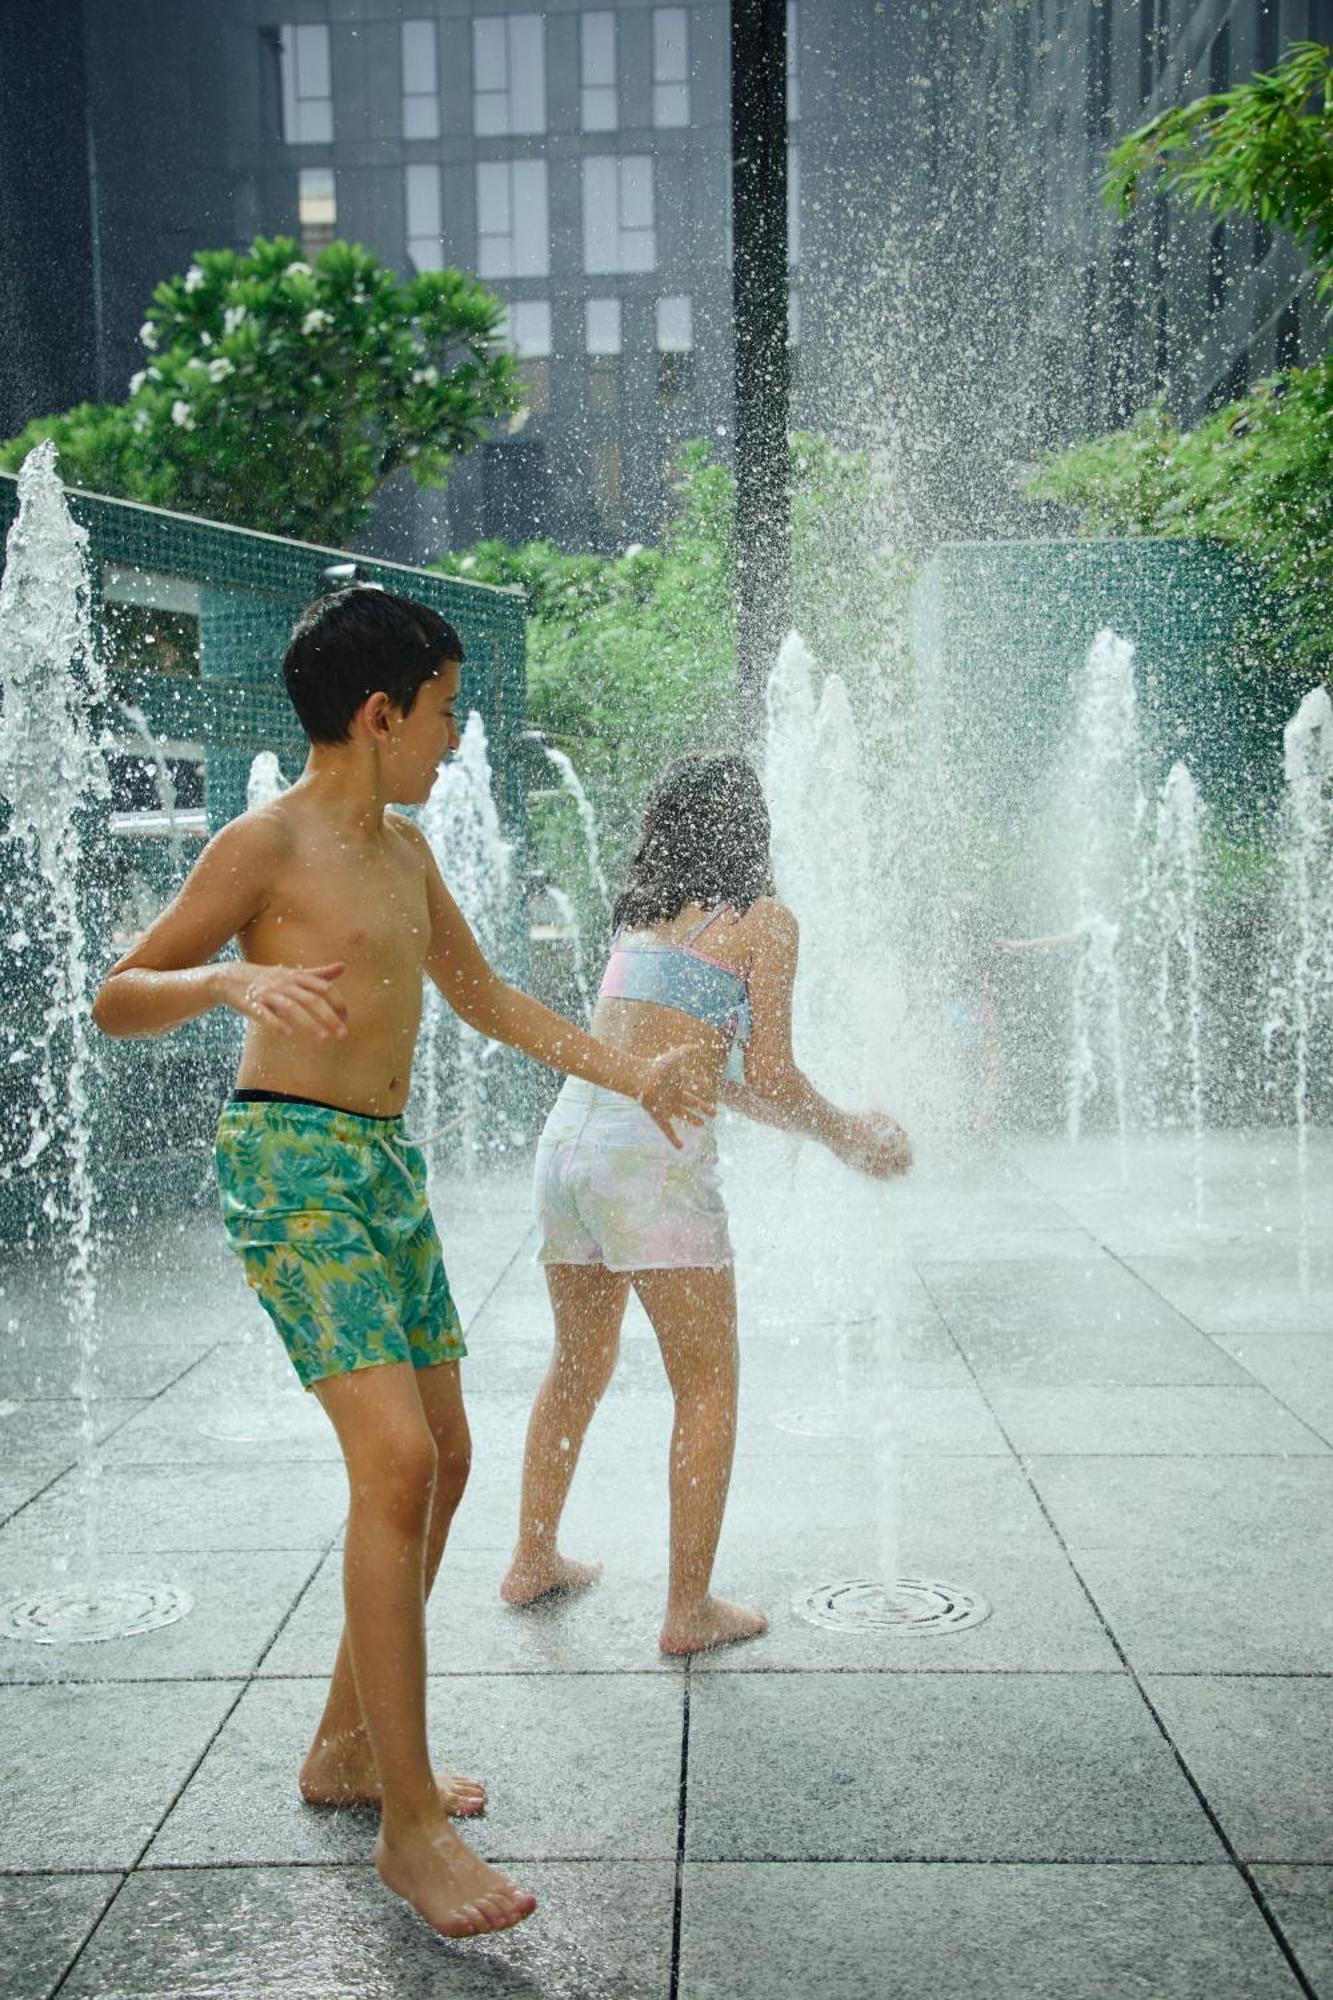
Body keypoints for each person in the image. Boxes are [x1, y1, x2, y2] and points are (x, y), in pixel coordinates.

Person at [91, 586, 711, 1941]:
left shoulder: (408, 853)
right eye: (443, 711)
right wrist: (226, 984)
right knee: (397, 1464)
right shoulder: (266, 847)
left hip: (378, 1164)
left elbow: (487, 1004)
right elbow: (116, 995)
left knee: (450, 1451)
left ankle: (346, 1748)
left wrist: (633, 1073)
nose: (453, 735)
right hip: (289, 1162)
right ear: (380, 715)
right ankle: (410, 1827)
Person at [500, 754, 912, 1654]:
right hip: (649, 1160)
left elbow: (715, 1081)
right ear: (751, 828)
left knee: (577, 1363)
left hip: (570, 1143)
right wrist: (848, 1133)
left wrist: (830, 1139)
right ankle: (688, 1611)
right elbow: (765, 1070)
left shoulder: (639, 923)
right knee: (708, 1384)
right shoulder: (765, 923)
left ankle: (532, 1556)